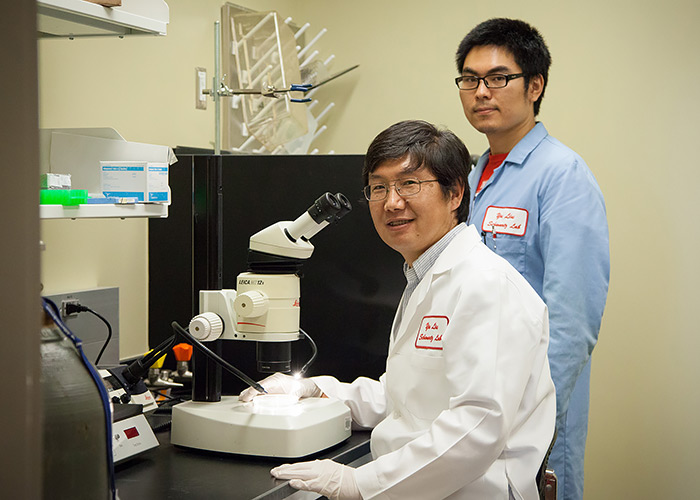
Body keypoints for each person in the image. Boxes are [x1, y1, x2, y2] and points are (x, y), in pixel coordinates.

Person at [240, 120, 556, 499]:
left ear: (454, 193)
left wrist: (358, 483)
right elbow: (406, 397)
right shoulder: (424, 276)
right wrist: (316, 389)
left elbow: (477, 428)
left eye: (409, 184)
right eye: (379, 187)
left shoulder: (486, 285)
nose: (391, 202)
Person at [454, 18, 610, 500]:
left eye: (498, 77)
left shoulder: (561, 176)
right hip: (472, 402)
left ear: (535, 85)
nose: (481, 91)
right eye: (469, 79)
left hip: (532, 415)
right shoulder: (472, 175)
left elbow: (572, 320)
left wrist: (535, 415)